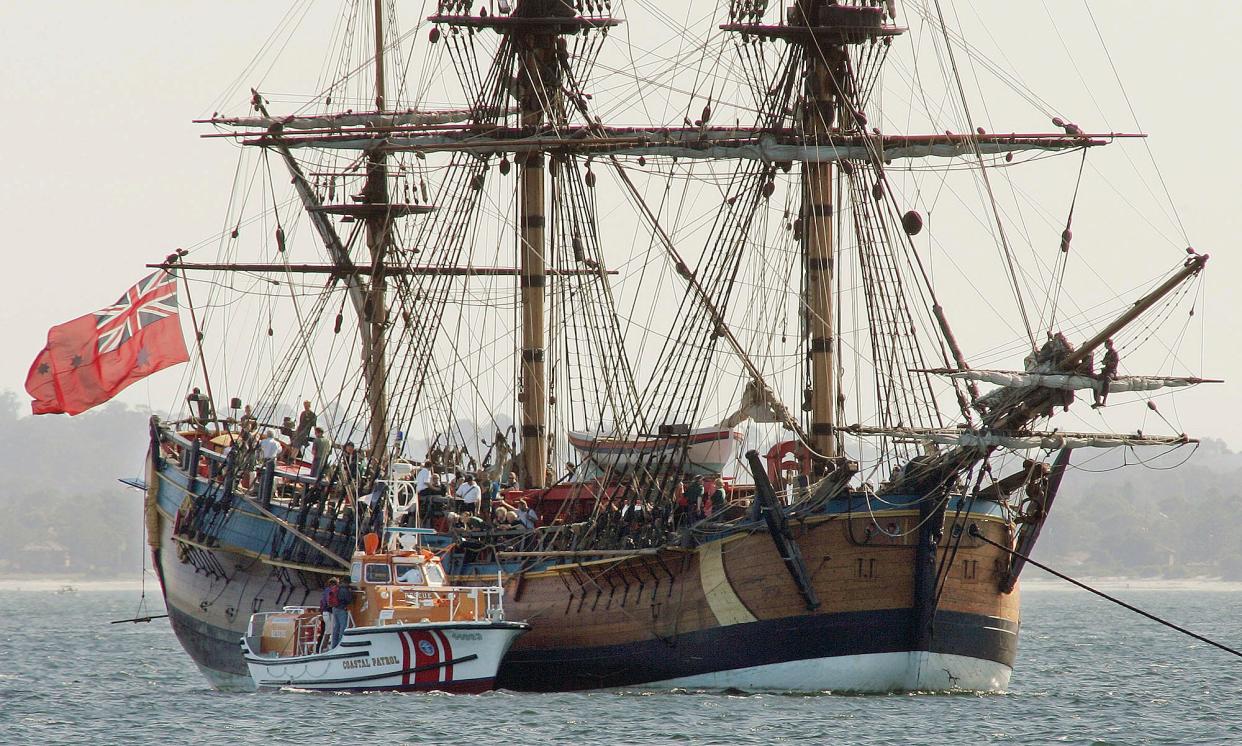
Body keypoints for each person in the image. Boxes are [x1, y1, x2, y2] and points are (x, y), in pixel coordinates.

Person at [1093, 338, 1120, 408]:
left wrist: (1107, 363)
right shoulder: (1107, 353)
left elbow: (1115, 363)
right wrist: (1103, 362)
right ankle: (1097, 400)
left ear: (1110, 345)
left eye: (1106, 344)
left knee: (1107, 380)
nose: (1105, 346)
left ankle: (1104, 400)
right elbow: (1104, 361)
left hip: (1111, 372)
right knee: (1098, 379)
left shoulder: (1114, 353)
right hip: (1105, 371)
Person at [329, 577, 353, 648]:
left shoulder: (338, 587)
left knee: (336, 627)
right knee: (343, 627)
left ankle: (334, 644)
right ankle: (340, 644)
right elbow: (349, 600)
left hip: (335, 608)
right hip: (341, 609)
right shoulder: (345, 589)